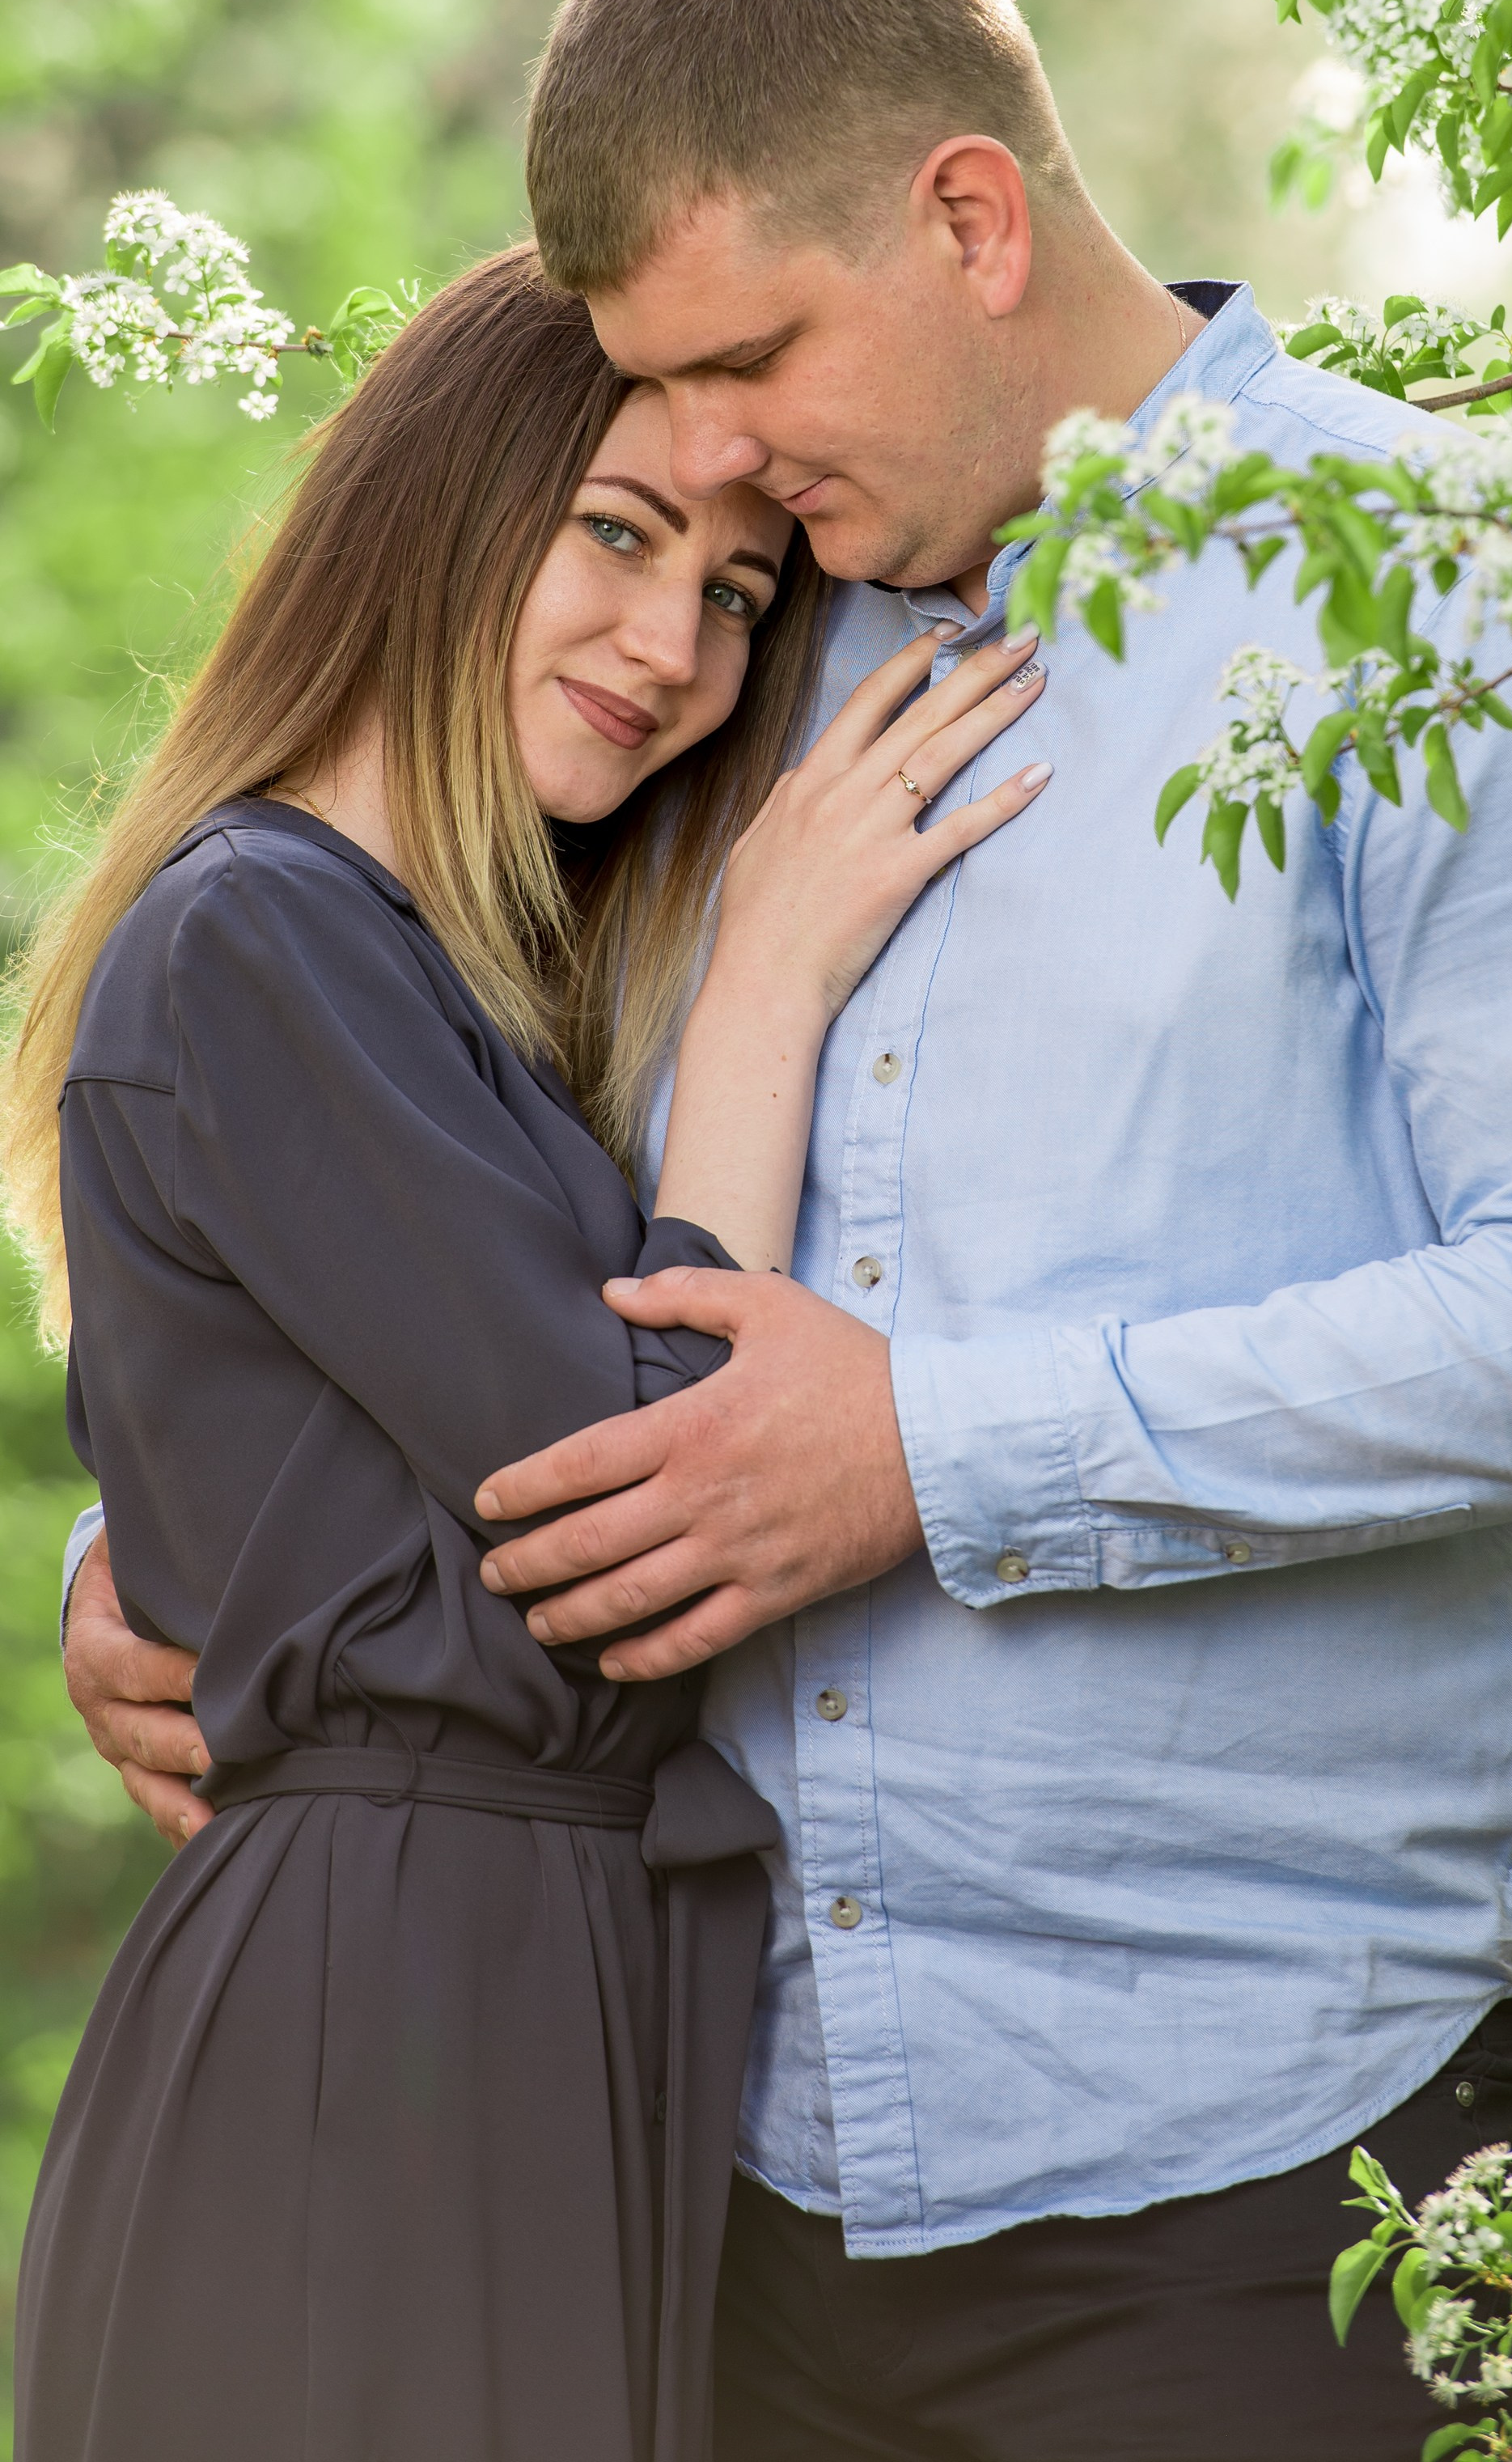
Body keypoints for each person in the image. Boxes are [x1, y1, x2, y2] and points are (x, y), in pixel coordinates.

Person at [65, 0, 1512, 2460]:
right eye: (665, 415)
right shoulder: (733, 653)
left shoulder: (1461, 596)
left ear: (969, 219)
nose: (708, 468)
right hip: (709, 2152)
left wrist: (933, 1454)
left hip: (1270, 2163)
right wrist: (191, 1532)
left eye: (750, 357)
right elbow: (447, 1189)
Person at [8, 243, 1048, 2462]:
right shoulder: (257, 938)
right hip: (366, 2050)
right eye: (619, 534)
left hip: (533, 2022)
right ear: (441, 502)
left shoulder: (455, 994)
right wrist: (771, 975)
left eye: (745, 595)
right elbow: (647, 1535)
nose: (675, 651)